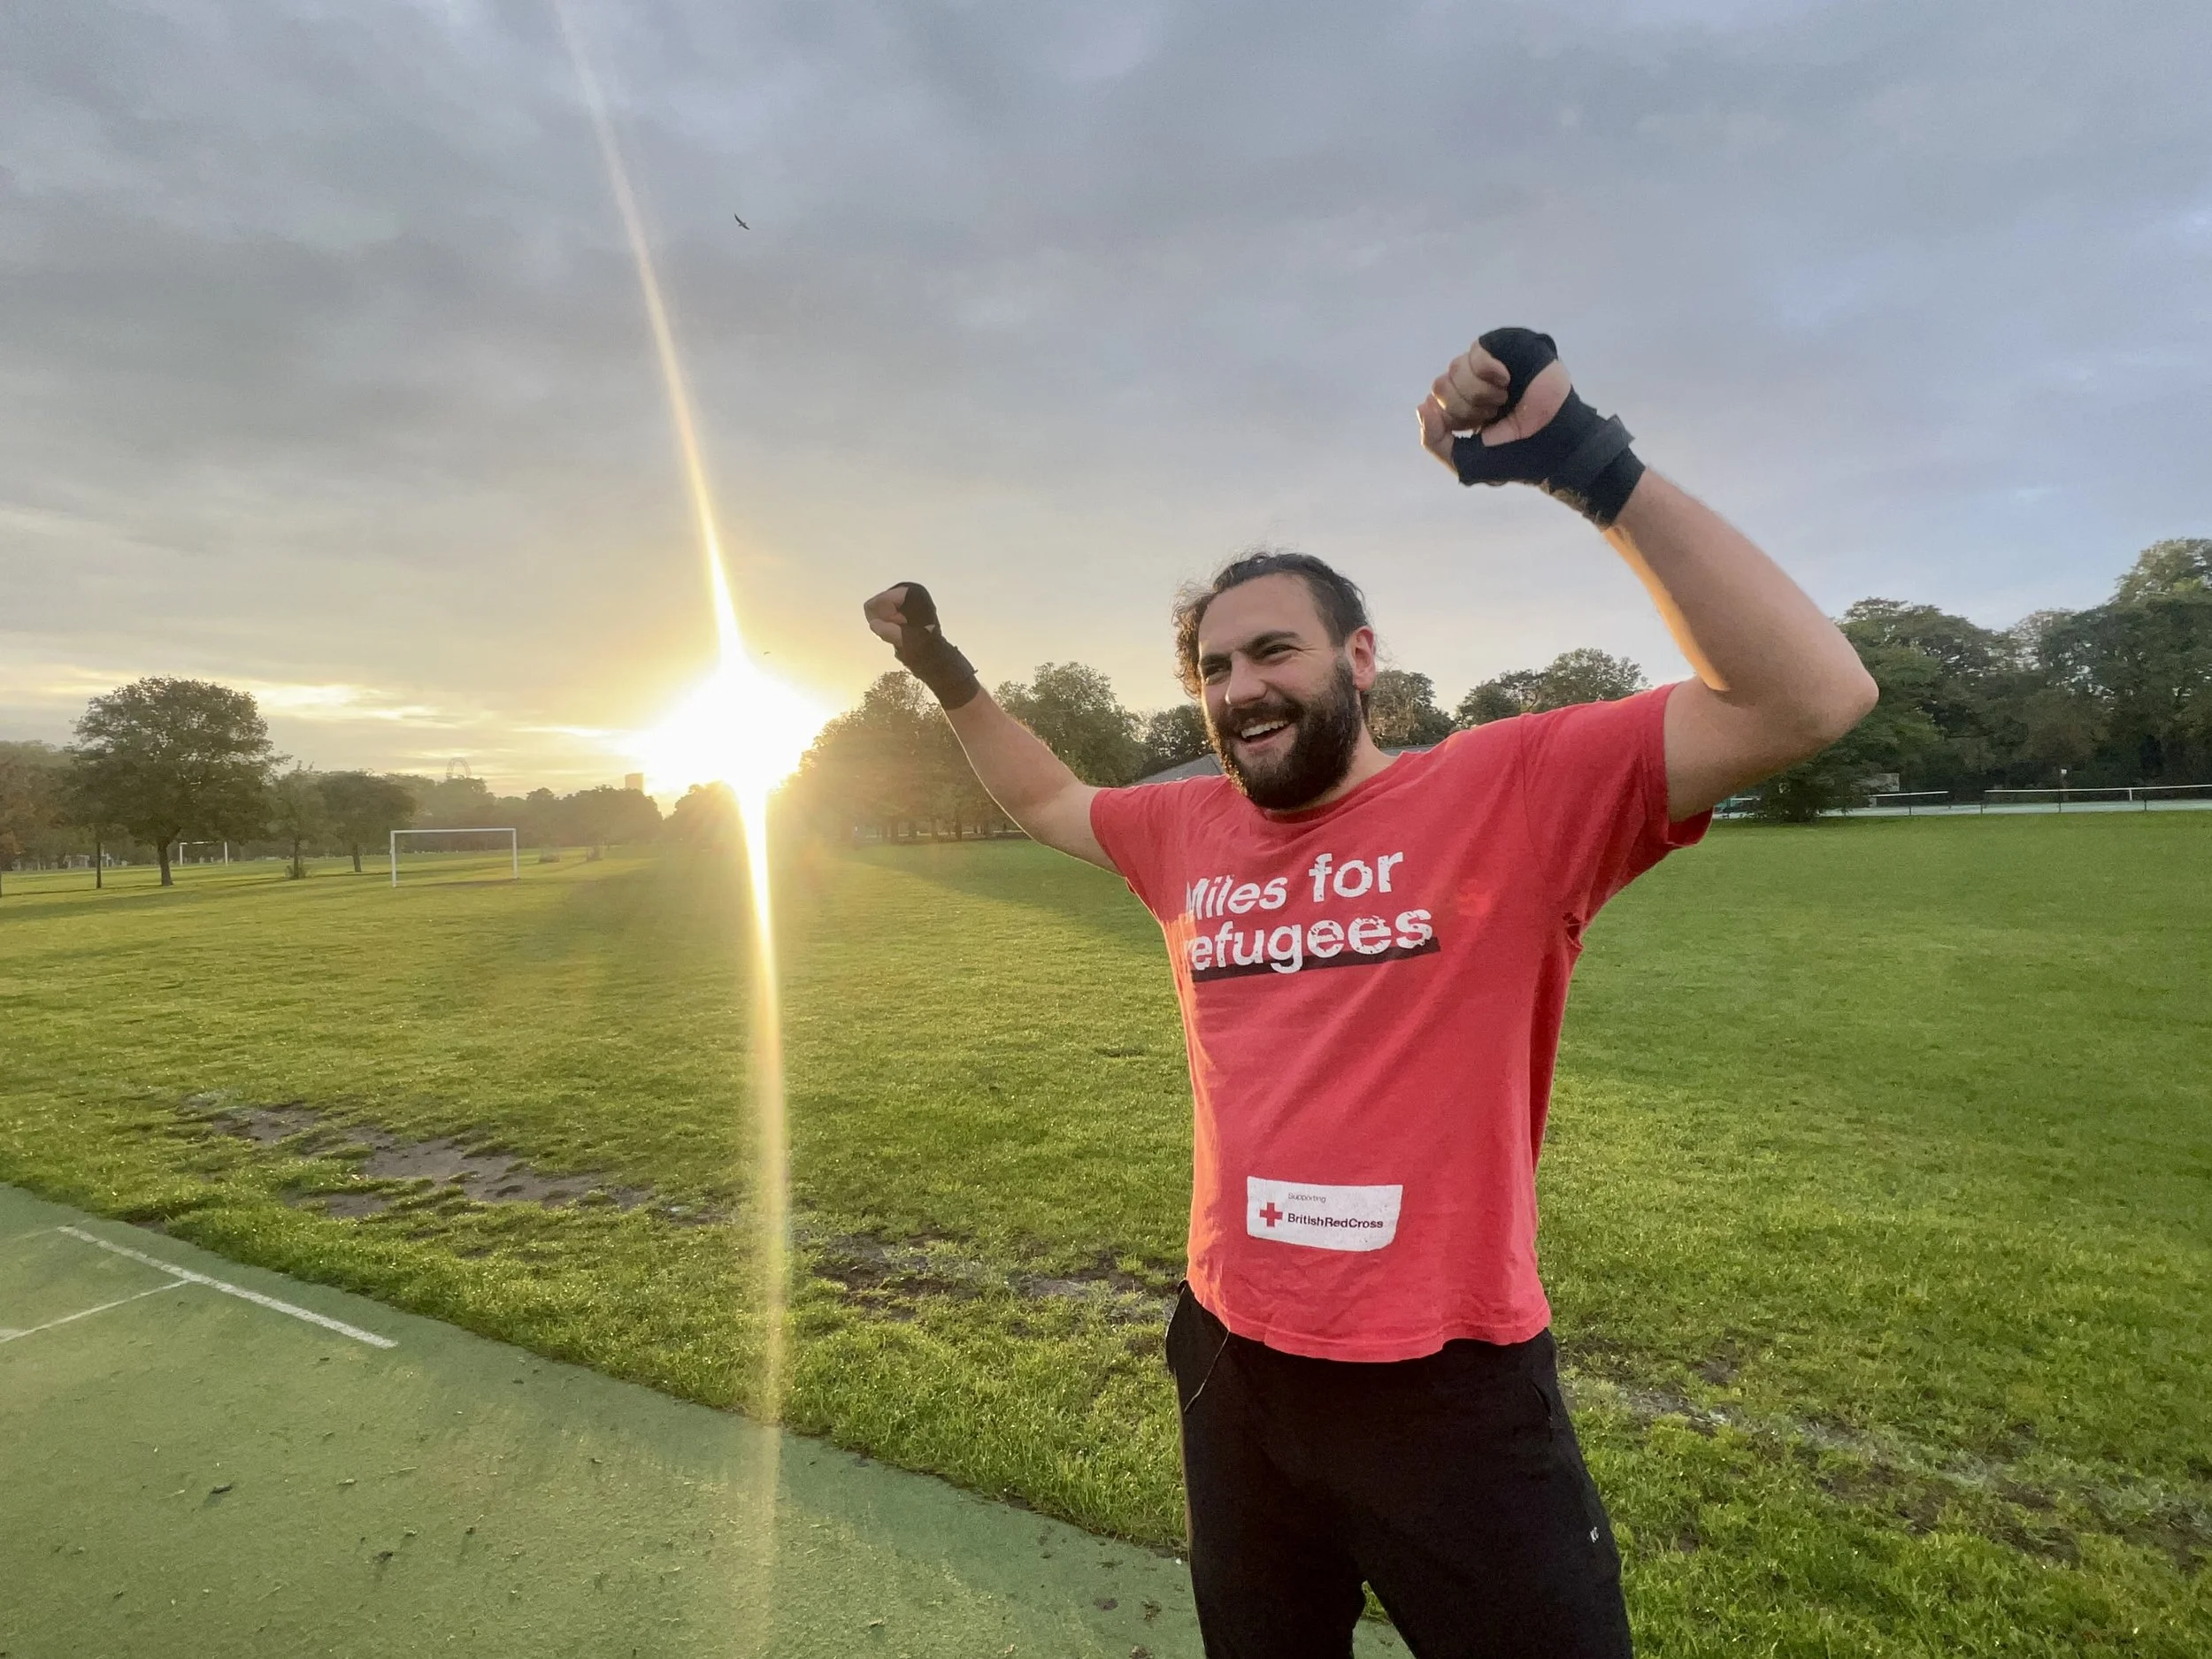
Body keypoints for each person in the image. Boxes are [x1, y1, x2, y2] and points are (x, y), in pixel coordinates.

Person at [860, 328, 1876, 1659]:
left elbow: (1811, 694)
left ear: (1360, 657)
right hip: (1230, 1357)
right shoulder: (1186, 831)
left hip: (1446, 1387)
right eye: (1214, 671)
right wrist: (939, 669)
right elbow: (1050, 795)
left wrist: (1585, 464)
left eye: (1272, 651)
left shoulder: (1507, 789)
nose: (1240, 691)